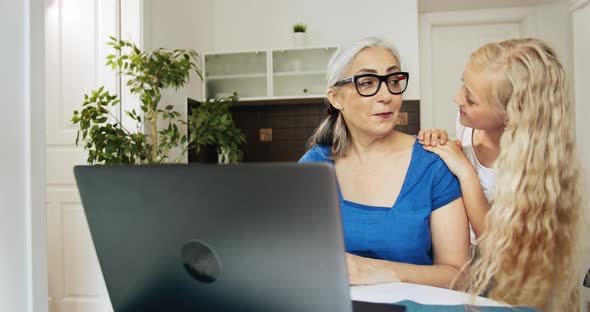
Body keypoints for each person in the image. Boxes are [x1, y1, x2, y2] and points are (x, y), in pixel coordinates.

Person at [419, 38, 583, 311]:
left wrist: (466, 172)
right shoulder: (468, 125)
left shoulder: (532, 167)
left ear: (511, 115)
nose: (457, 98)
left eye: (470, 98)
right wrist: (444, 141)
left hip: (513, 280)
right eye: (463, 84)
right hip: (472, 270)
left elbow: (495, 240)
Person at [298, 37, 470, 289]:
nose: (387, 95)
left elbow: (459, 276)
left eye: (393, 81)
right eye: (367, 82)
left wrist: (377, 271)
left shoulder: (433, 163)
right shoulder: (313, 166)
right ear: (336, 98)